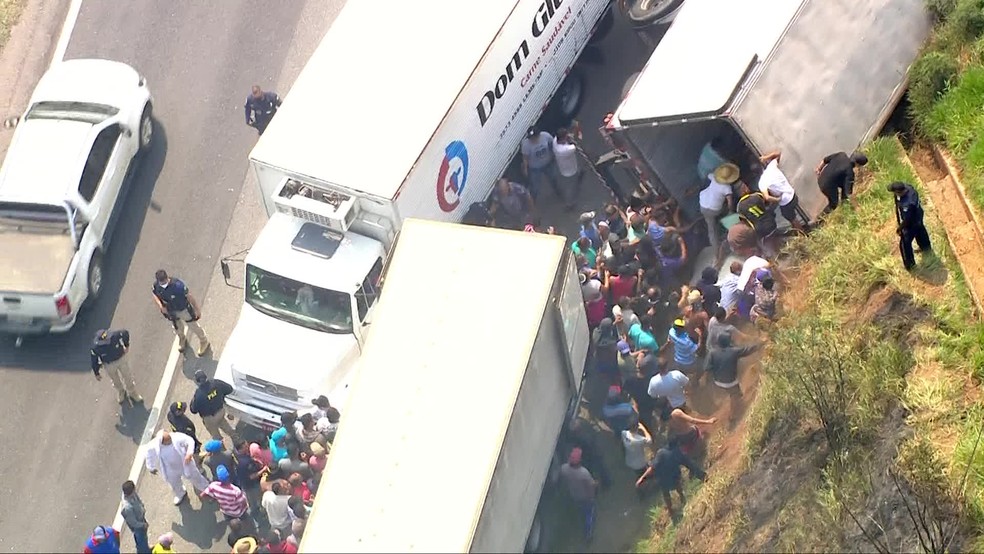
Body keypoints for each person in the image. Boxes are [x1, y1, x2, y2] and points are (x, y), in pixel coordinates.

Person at [704, 333, 762, 420]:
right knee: (736, 394)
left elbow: (707, 368)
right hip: (730, 382)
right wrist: (760, 344)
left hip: (717, 381)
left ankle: (729, 397)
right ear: (728, 342)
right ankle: (732, 415)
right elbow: (748, 350)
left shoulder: (712, 352)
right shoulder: (734, 351)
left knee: (731, 391)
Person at [152, 270, 209, 356]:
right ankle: (182, 338)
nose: (163, 284)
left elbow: (189, 296)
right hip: (171, 311)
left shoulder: (178, 286)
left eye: (164, 282)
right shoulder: (157, 285)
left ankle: (204, 340)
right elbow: (155, 295)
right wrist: (161, 306)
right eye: (161, 283)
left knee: (193, 326)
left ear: (167, 278)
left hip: (183, 309)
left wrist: (197, 309)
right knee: (177, 327)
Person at [145, 430, 211, 505]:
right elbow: (149, 456)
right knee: (174, 483)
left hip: (184, 463)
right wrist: (151, 467)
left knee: (195, 476)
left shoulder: (176, 437)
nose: (170, 441)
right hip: (169, 469)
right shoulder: (153, 446)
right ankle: (180, 493)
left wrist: (189, 453)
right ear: (162, 442)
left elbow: (189, 440)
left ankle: (206, 488)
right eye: (168, 441)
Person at [635, 446, 706, 515]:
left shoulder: (661, 453)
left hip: (666, 481)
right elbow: (688, 463)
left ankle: (670, 510)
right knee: (677, 484)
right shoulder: (674, 451)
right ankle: (682, 496)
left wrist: (642, 478)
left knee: (665, 492)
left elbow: (651, 468)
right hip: (676, 477)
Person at [757, 150, 808, 230]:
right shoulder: (772, 167)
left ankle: (802, 233)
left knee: (792, 220)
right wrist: (765, 157)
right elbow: (778, 153)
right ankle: (802, 227)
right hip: (793, 195)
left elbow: (766, 197)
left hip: (785, 202)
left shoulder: (762, 182)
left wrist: (777, 199)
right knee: (793, 216)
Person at [90, 328, 142, 404]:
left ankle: (132, 392)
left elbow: (125, 333)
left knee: (127, 376)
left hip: (121, 359)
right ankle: (121, 391)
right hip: (109, 364)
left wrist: (126, 345)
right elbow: (94, 360)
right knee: (115, 380)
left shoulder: (115, 335)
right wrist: (96, 373)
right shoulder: (96, 348)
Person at [889, 181, 933, 270]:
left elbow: (907, 220)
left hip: (911, 222)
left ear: (899, 192)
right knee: (920, 231)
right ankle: (926, 247)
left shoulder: (907, 204)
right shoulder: (909, 188)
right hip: (919, 215)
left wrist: (900, 228)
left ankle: (910, 264)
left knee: (905, 243)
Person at [700, 163, 737, 260]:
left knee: (711, 230)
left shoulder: (713, 178)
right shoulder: (727, 188)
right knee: (729, 215)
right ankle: (732, 232)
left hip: (703, 205)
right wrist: (731, 212)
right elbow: (730, 203)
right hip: (715, 209)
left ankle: (716, 253)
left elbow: (708, 174)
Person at [559, 447, 598, 541]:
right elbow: (591, 485)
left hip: (574, 495)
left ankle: (582, 518)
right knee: (589, 514)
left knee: (582, 510)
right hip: (585, 496)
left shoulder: (564, 468)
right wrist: (596, 486)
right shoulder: (583, 473)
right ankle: (588, 534)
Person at [190, 369, 236, 440]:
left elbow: (193, 410)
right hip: (220, 412)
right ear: (206, 377)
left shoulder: (198, 395)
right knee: (224, 424)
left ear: (197, 381)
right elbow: (229, 389)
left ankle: (220, 446)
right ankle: (235, 438)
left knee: (215, 434)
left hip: (210, 419)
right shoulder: (216, 383)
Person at [737, 181, 780, 255]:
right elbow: (769, 202)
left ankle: (770, 256)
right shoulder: (757, 196)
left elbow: (744, 222)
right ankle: (777, 250)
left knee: (764, 245)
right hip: (771, 223)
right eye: (746, 186)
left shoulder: (739, 207)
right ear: (744, 189)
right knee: (773, 239)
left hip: (759, 231)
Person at [520, 126, 559, 200]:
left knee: (553, 178)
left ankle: (558, 192)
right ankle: (532, 200)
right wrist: (525, 168)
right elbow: (525, 158)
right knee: (535, 187)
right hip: (535, 168)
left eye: (534, 137)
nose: (532, 139)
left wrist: (555, 155)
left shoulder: (546, 136)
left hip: (548, 163)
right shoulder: (526, 145)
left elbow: (552, 145)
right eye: (531, 138)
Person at [552, 127, 581, 209]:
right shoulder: (566, 149)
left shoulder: (555, 142)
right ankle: (569, 204)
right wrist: (575, 132)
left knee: (569, 185)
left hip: (563, 168)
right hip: (570, 171)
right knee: (570, 188)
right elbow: (574, 145)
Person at [120, 481, 151, 554]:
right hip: (138, 526)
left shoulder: (132, 494)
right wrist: (143, 525)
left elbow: (138, 499)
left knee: (143, 540)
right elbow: (133, 523)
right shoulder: (127, 508)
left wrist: (142, 506)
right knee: (141, 540)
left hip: (141, 519)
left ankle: (145, 549)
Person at [592, 318, 620, 384]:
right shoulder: (609, 343)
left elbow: (604, 331)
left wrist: (614, 324)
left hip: (598, 358)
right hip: (608, 361)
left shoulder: (596, 332)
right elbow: (615, 347)